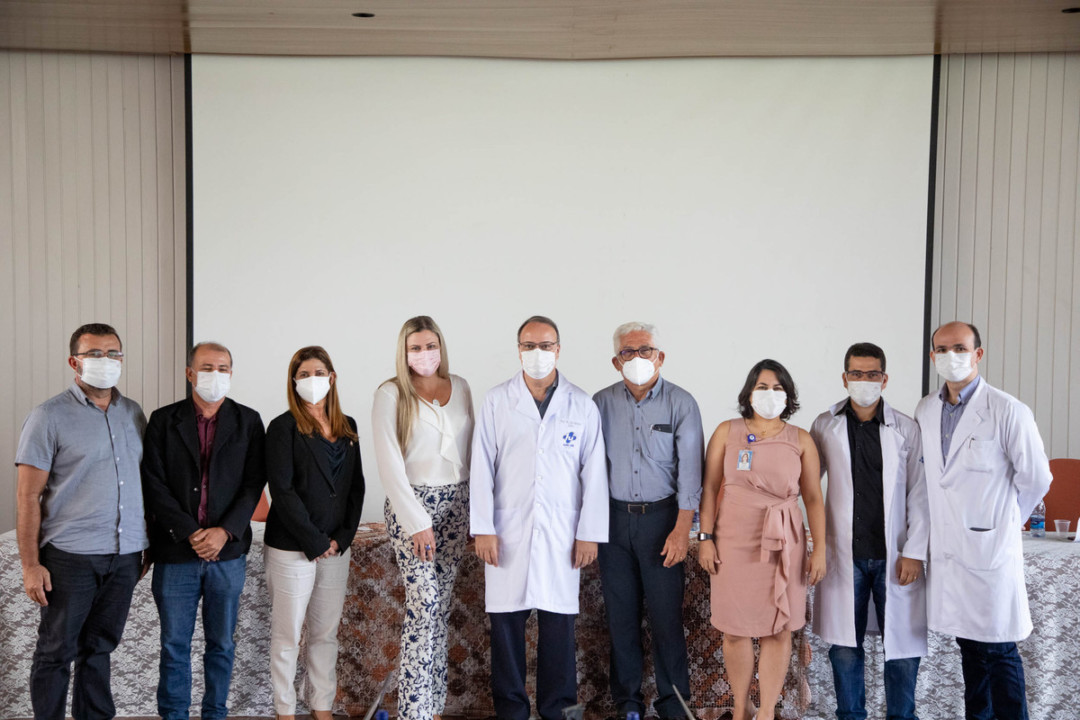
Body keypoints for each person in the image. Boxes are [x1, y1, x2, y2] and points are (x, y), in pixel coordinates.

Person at [470, 315, 609, 720]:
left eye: (545, 345)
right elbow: (481, 467)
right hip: (507, 531)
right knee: (506, 630)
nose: (537, 353)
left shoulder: (581, 405)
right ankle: (511, 711)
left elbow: (594, 474)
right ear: (518, 351)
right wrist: (483, 528)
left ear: (558, 350)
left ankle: (559, 711)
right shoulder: (497, 401)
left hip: (561, 534)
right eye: (529, 346)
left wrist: (589, 533)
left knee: (558, 631)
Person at [914, 322, 1051, 720]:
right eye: (942, 349)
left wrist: (1003, 524)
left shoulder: (1007, 410)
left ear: (978, 354)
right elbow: (932, 479)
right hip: (949, 554)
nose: (951, 356)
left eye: (960, 348)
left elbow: (1036, 479)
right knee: (970, 648)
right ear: (932, 356)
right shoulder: (927, 409)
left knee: (998, 648)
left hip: (990, 553)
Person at [15, 322, 148, 720]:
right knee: (56, 651)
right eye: (94, 354)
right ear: (75, 362)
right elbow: (28, 496)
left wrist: (146, 544)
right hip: (69, 557)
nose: (105, 361)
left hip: (125, 556)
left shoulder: (133, 413)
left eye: (113, 353)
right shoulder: (48, 417)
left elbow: (145, 482)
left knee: (99, 648)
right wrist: (30, 565)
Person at [140, 341, 267, 720]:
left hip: (227, 554)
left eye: (223, 368)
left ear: (231, 373)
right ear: (190, 373)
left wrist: (224, 531)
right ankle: (174, 715)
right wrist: (190, 532)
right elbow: (153, 483)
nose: (216, 375)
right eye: (207, 367)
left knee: (222, 645)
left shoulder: (249, 421)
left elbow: (253, 484)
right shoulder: (163, 420)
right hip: (176, 551)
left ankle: (215, 713)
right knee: (174, 646)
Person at [697, 359, 825, 720]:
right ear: (749, 393)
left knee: (778, 629)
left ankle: (767, 711)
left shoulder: (801, 439)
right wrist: (705, 537)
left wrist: (819, 549)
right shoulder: (727, 432)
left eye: (778, 388)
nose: (770, 394)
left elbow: (813, 498)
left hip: (784, 543)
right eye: (763, 387)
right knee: (734, 630)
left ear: (789, 395)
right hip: (733, 542)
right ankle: (741, 707)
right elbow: (709, 488)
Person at [809, 343, 929, 720]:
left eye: (872, 374)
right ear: (845, 378)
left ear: (884, 379)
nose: (864, 380)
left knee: (902, 649)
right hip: (845, 555)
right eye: (856, 374)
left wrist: (915, 551)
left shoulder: (906, 428)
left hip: (894, 555)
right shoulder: (824, 425)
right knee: (845, 648)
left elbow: (920, 493)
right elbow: (807, 487)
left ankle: (902, 717)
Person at [592, 322, 703, 720]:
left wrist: (682, 530)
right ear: (615, 361)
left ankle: (674, 706)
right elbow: (588, 469)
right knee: (620, 618)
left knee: (665, 619)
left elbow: (691, 472)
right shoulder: (600, 404)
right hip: (613, 522)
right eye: (628, 351)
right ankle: (628, 704)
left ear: (660, 357)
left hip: (663, 522)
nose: (637, 358)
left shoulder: (681, 403)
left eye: (645, 350)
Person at [372, 316, 475, 720]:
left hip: (457, 504)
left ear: (441, 347)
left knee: (441, 606)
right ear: (404, 352)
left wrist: (475, 513)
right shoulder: (390, 393)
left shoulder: (460, 387)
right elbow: (389, 463)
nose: (424, 354)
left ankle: (434, 707)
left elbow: (473, 451)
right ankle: (413, 711)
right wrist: (417, 522)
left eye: (430, 346)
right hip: (412, 505)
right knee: (424, 604)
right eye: (415, 347)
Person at [264, 346, 366, 720]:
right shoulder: (282, 427)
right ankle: (285, 711)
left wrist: (342, 538)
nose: (312, 380)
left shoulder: (348, 425)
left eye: (319, 373)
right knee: (288, 636)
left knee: (325, 635)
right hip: (292, 547)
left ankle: (322, 707)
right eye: (304, 374)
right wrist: (315, 540)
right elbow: (282, 490)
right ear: (294, 382)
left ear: (332, 378)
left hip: (336, 549)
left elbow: (356, 488)